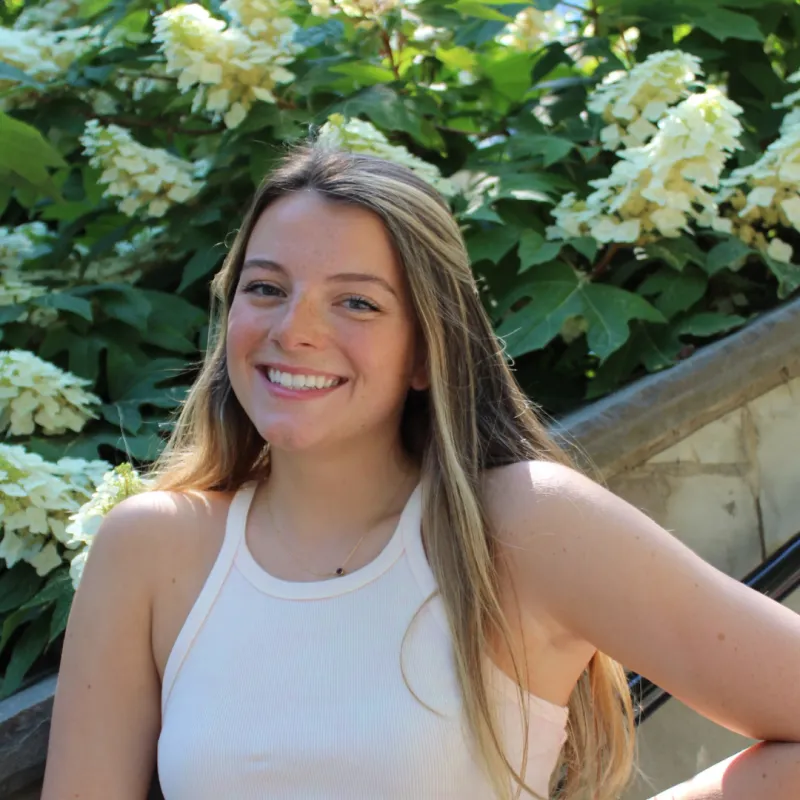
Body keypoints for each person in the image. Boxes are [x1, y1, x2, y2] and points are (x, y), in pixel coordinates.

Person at [41, 144, 800, 800]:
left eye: (358, 303)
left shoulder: (528, 524)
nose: (293, 330)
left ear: (425, 353)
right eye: (266, 288)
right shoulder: (150, 547)